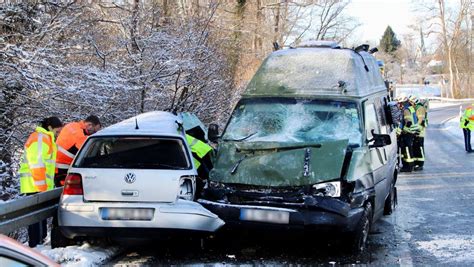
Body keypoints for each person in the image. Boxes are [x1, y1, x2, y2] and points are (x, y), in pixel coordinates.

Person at [19, 116, 63, 247]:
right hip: (34, 184)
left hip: (38, 184)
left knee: (39, 217)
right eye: (57, 131)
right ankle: (35, 244)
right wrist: (41, 186)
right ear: (50, 127)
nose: (58, 133)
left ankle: (40, 241)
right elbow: (36, 163)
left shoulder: (46, 138)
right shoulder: (40, 138)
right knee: (35, 219)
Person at [55, 115, 101, 186]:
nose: (94, 133)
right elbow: (87, 152)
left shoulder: (72, 125)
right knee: (64, 192)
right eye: (95, 130)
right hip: (63, 167)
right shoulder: (80, 135)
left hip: (56, 163)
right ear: (89, 125)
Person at [398, 95, 420, 172]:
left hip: (408, 131)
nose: (399, 105)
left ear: (403, 103)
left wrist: (406, 124)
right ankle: (410, 165)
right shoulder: (411, 108)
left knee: (407, 149)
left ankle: (408, 167)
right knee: (409, 148)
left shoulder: (406, 110)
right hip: (412, 131)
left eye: (400, 103)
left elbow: (407, 119)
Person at [411, 95, 428, 171]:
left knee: (420, 148)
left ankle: (420, 164)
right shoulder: (416, 108)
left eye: (411, 102)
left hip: (420, 132)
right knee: (416, 148)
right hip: (417, 131)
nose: (410, 103)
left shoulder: (420, 108)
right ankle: (416, 163)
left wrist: (415, 129)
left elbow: (420, 120)